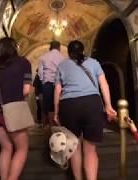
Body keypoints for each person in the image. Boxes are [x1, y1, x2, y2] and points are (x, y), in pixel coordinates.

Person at [54, 40, 117, 180]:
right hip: (91, 103)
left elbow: (57, 90)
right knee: (90, 149)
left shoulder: (62, 65)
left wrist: (57, 112)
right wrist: (108, 105)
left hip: (69, 105)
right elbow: (103, 84)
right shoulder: (94, 62)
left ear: (68, 53)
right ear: (83, 51)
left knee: (74, 147)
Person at [0, 37, 32, 180]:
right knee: (22, 148)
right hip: (11, 112)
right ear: (14, 47)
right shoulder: (24, 62)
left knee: (6, 147)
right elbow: (26, 90)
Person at [38, 41, 64, 126]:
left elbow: (40, 74)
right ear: (59, 48)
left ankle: (52, 128)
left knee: (49, 108)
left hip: (47, 84)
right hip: (59, 84)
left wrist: (43, 82)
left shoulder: (43, 57)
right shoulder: (62, 58)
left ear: (50, 47)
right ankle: (59, 127)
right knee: (59, 105)